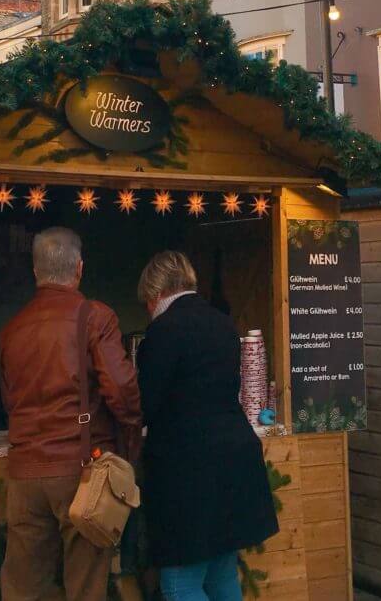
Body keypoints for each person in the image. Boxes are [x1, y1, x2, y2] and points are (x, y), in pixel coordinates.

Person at [0, 227, 142, 601]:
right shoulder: (95, 317)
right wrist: (129, 444)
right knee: (86, 590)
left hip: (24, 475)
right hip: (81, 474)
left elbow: (9, 400)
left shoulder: (12, 329)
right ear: (79, 268)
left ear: (36, 272)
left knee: (24, 590)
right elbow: (122, 391)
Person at [136, 251, 278, 601]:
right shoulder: (223, 324)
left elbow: (146, 406)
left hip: (188, 477)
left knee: (179, 584)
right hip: (234, 463)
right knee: (221, 576)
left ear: (155, 294)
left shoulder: (162, 332)